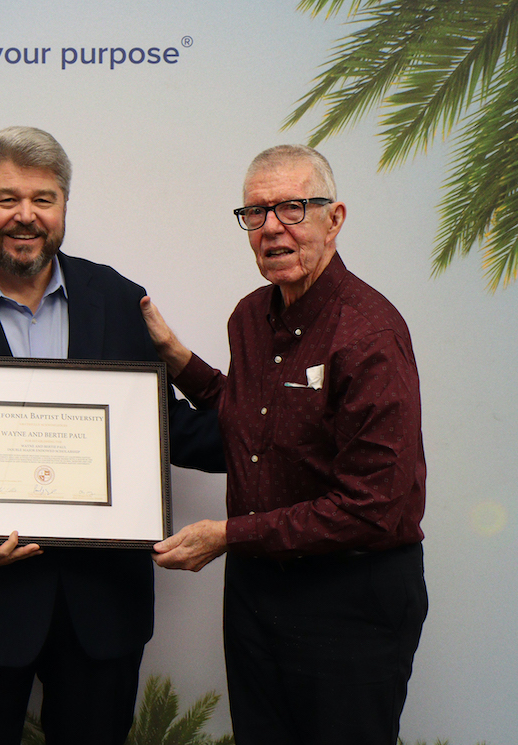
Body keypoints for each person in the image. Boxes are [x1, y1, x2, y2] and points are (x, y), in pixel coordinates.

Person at [0, 125, 223, 745]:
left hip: (101, 611)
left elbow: (163, 429)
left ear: (63, 208)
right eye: (6, 199)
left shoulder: (117, 299)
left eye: (43, 198)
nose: (25, 216)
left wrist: (276, 430)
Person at [140, 144, 428, 745]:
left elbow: (374, 506)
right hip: (257, 596)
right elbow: (254, 428)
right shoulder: (248, 317)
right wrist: (177, 359)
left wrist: (226, 535)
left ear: (335, 218)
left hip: (349, 599)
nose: (272, 227)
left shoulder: (369, 331)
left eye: (293, 208)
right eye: (256, 213)